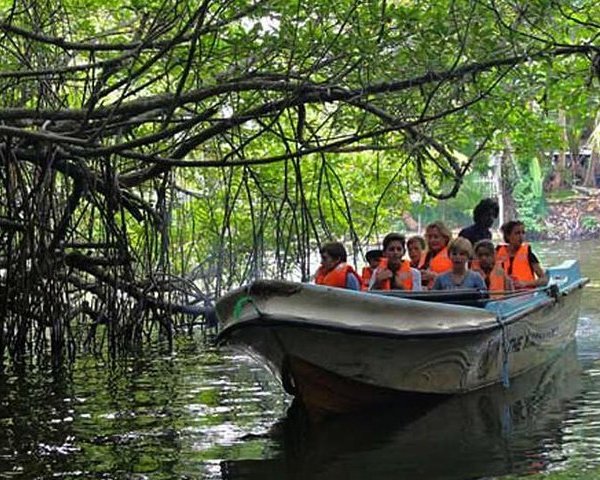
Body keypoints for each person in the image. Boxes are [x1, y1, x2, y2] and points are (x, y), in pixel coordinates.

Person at [496, 221, 548, 289]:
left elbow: (544, 280)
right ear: (508, 236)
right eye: (517, 233)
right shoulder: (496, 253)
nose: (521, 236)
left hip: (525, 294)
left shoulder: (528, 254)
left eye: (523, 233)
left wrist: (525, 283)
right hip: (502, 294)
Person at [421, 221, 453, 288]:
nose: (432, 240)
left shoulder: (454, 255)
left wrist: (434, 276)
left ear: (445, 238)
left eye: (436, 237)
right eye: (429, 237)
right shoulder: (426, 256)